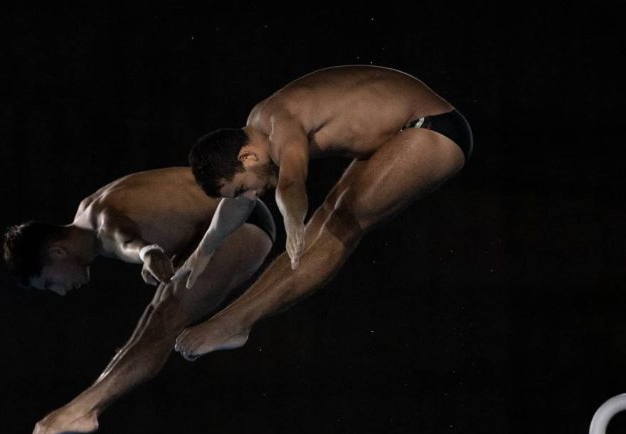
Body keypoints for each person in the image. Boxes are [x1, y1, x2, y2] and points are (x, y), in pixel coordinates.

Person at [175, 65, 471, 359]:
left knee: (340, 227)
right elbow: (238, 202)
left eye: (243, 188)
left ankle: (231, 324)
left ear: (247, 156)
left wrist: (292, 221)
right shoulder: (256, 128)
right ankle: (231, 323)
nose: (252, 197)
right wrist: (204, 250)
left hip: (432, 127)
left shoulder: (280, 125)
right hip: (401, 131)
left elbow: (291, 183)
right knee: (329, 218)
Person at [2, 167, 275, 434]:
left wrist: (147, 253)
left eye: (49, 283)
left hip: (240, 220)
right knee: (151, 321)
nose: (59, 292)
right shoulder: (87, 210)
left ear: (57, 252)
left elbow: (124, 240)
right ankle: (86, 406)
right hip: (219, 222)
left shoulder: (101, 223)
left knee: (165, 319)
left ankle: (84, 408)